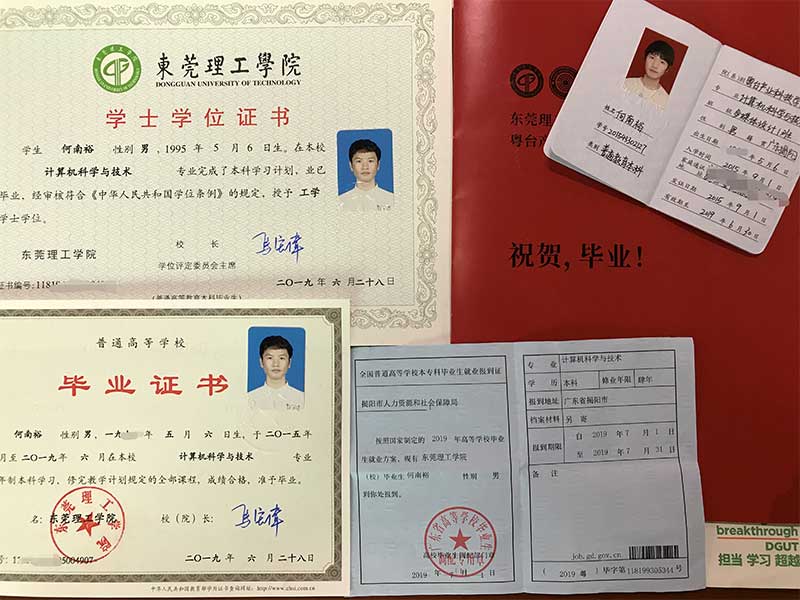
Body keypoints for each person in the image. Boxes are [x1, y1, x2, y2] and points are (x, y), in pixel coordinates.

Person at [247, 335, 304, 411]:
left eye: (281, 358)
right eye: (270, 358)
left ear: (289, 363)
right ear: (261, 362)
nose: (276, 364)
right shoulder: (249, 399)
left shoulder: (301, 398)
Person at [337, 138, 394, 211]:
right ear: (351, 166)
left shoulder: (392, 200)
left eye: (370, 161)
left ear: (378, 165)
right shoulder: (340, 202)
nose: (365, 167)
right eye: (359, 161)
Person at [623, 40, 674, 110]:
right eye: (652, 58)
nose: (655, 65)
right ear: (645, 58)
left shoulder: (666, 101)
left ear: (667, 69)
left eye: (662, 62)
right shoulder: (626, 83)